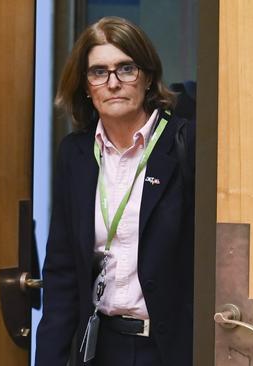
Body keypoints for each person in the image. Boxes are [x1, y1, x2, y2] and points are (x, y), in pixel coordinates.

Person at [35, 16, 195, 366]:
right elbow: (62, 272)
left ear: (148, 77)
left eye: (126, 69)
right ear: (85, 85)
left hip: (171, 349)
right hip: (102, 347)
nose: (113, 83)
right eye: (98, 72)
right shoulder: (75, 155)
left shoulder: (186, 144)